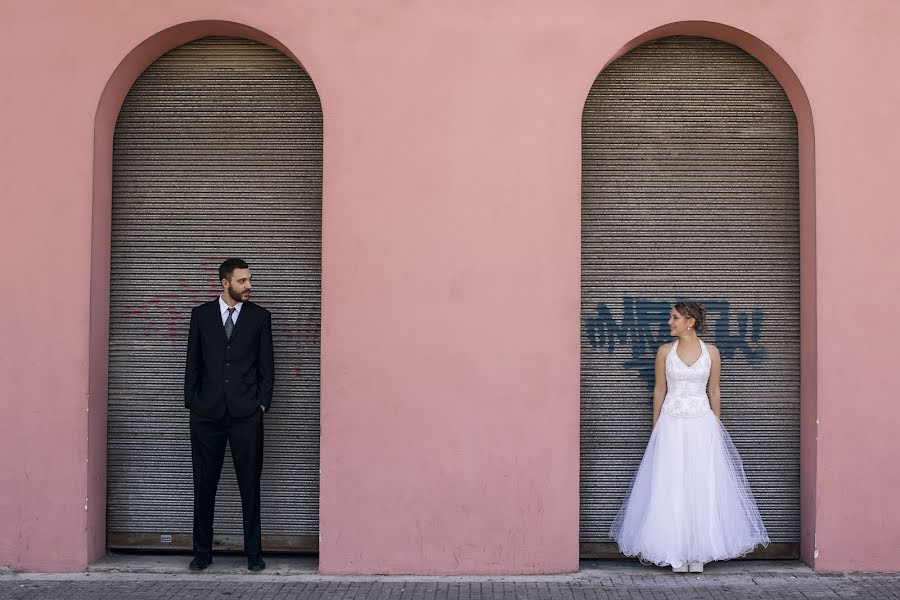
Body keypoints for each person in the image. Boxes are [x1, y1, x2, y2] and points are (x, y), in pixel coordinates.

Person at [609, 301, 769, 573]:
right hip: (671, 423)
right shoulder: (664, 352)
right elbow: (659, 390)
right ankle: (675, 551)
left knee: (701, 483)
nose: (669, 322)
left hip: (702, 423)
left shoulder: (712, 353)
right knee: (670, 483)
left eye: (674, 318)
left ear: (690, 322)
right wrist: (655, 428)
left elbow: (715, 391)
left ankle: (699, 553)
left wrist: (717, 429)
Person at [184, 258, 274, 571]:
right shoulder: (201, 316)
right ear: (225, 282)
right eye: (242, 281)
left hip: (246, 416)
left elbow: (267, 367)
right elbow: (192, 363)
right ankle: (202, 553)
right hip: (206, 416)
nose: (249, 286)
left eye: (249, 280)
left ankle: (254, 554)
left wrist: (261, 404)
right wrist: (192, 402)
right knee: (203, 485)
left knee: (250, 485)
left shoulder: (260, 318)